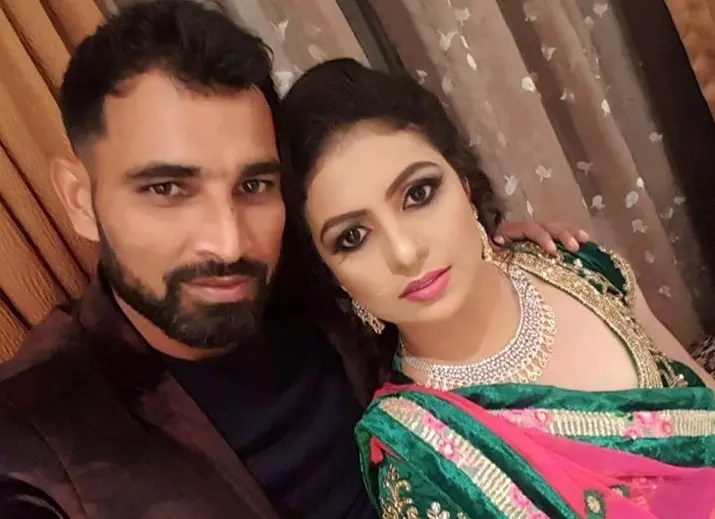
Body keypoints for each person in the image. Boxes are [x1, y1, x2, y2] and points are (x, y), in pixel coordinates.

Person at [0, 2, 588, 518]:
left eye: (253, 185)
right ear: (80, 199)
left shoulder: (315, 286)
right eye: (167, 189)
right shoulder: (36, 437)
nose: (228, 243)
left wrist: (484, 246)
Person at [278, 58, 715, 518]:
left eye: (419, 194)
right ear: (333, 274)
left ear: (463, 183)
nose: (404, 252)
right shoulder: (420, 465)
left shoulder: (577, 266)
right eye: (353, 237)